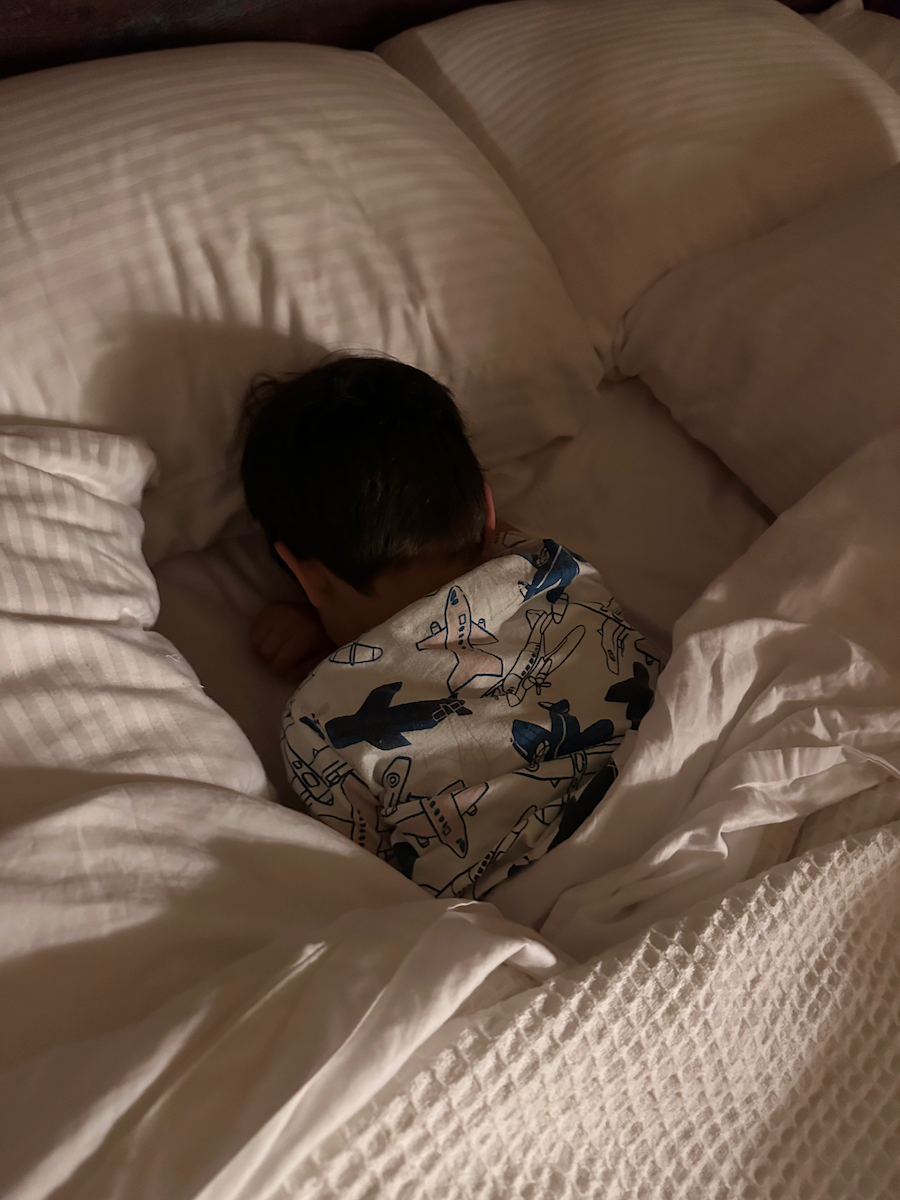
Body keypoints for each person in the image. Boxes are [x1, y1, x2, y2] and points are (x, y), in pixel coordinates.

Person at [240, 353, 659, 899]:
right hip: (664, 788)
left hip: (525, 896)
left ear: (305, 576)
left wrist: (326, 637)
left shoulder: (316, 720)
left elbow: (362, 877)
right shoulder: (551, 568)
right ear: (486, 509)